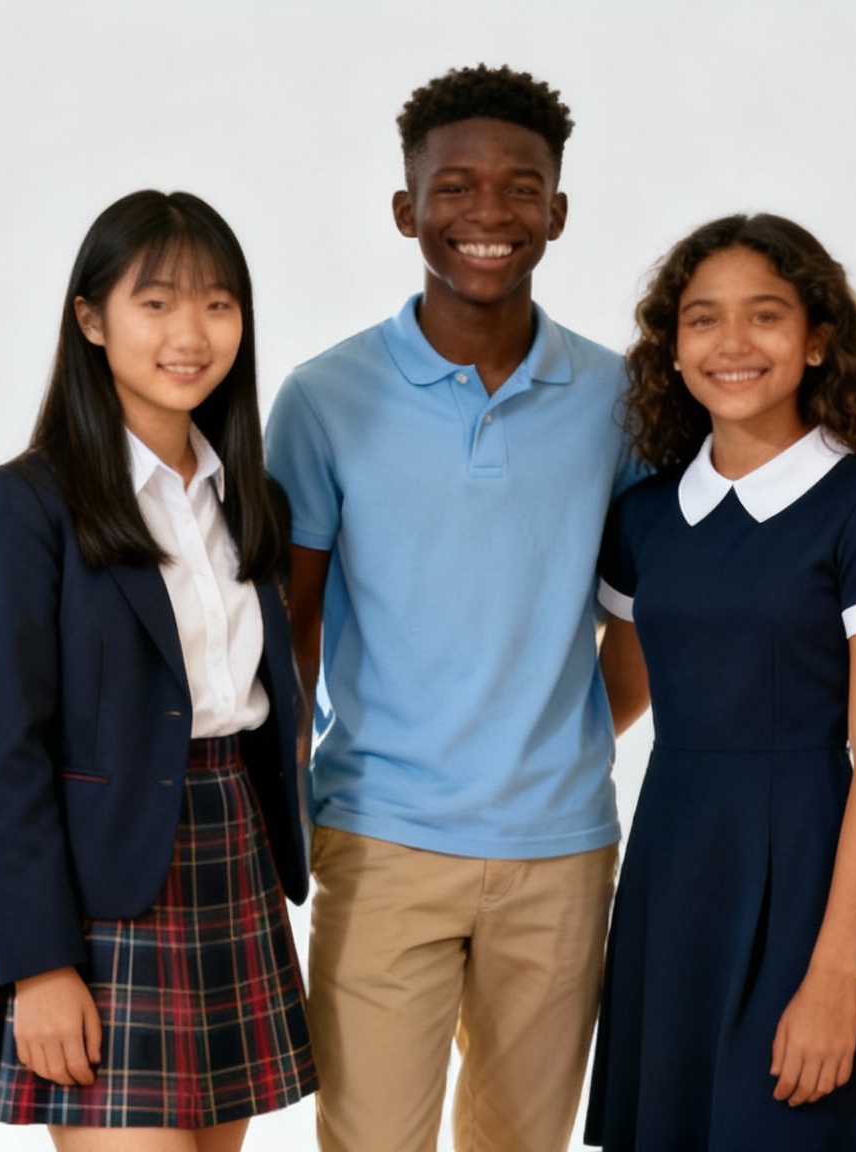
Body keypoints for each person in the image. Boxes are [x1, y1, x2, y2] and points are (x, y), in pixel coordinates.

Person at [262, 65, 643, 1152]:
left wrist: (556, 729)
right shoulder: (322, 399)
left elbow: (645, 613)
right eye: (455, 187)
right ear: (405, 209)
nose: (488, 214)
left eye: (520, 188)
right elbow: (292, 627)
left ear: (557, 213)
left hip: (561, 848)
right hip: (380, 841)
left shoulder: (618, 401)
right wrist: (279, 813)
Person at [0, 190, 317, 1150]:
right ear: (90, 318)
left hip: (228, 853)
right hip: (98, 891)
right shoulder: (26, 506)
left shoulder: (251, 497)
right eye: (155, 303)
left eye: (218, 303)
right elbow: (1, 754)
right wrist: (38, 964)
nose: (191, 333)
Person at [585, 214, 856, 1152]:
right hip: (672, 869)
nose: (732, 344)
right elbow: (611, 704)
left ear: (819, 340)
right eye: (702, 320)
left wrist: (832, 977)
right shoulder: (648, 515)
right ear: (673, 346)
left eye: (766, 316)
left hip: (812, 871)